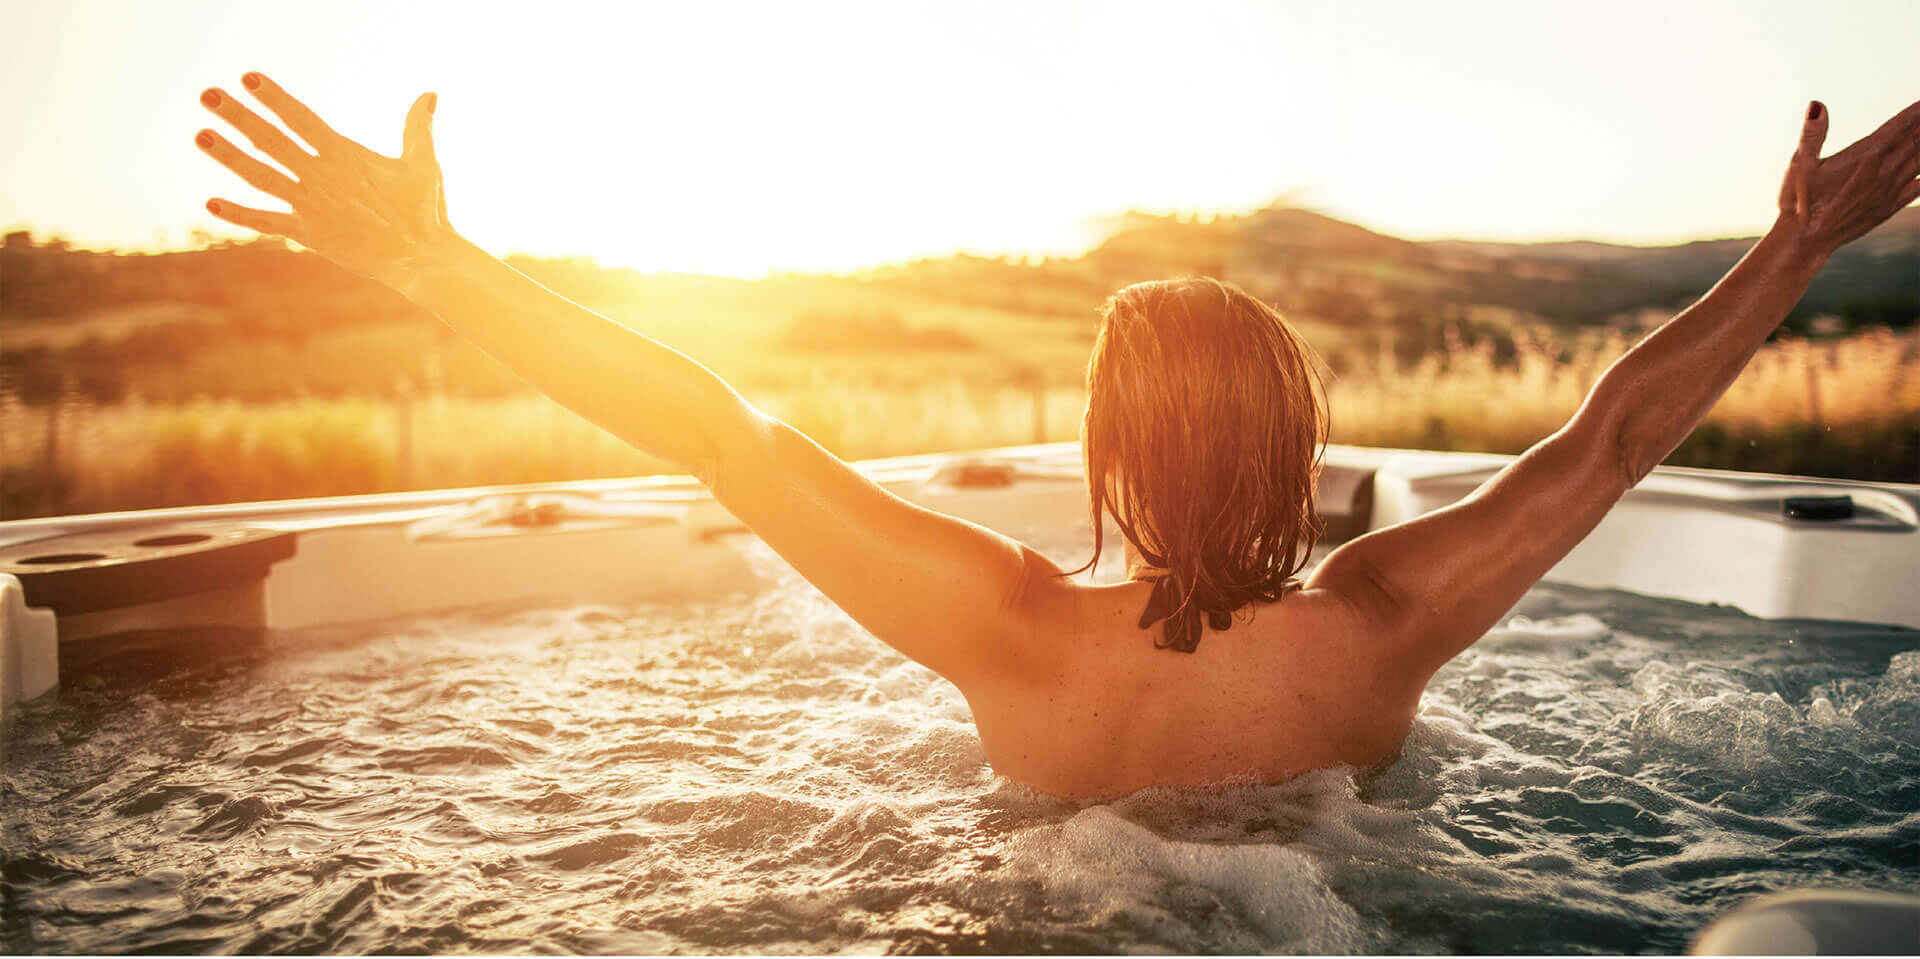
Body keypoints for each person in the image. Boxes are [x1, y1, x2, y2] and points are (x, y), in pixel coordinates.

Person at [194, 74, 1920, 799]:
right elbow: (1611, 442)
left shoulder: (1003, 629)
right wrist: (1791, 251)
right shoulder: (1385, 622)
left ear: (1107, 448)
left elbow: (715, 430)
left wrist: (436, 267)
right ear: (1296, 441)